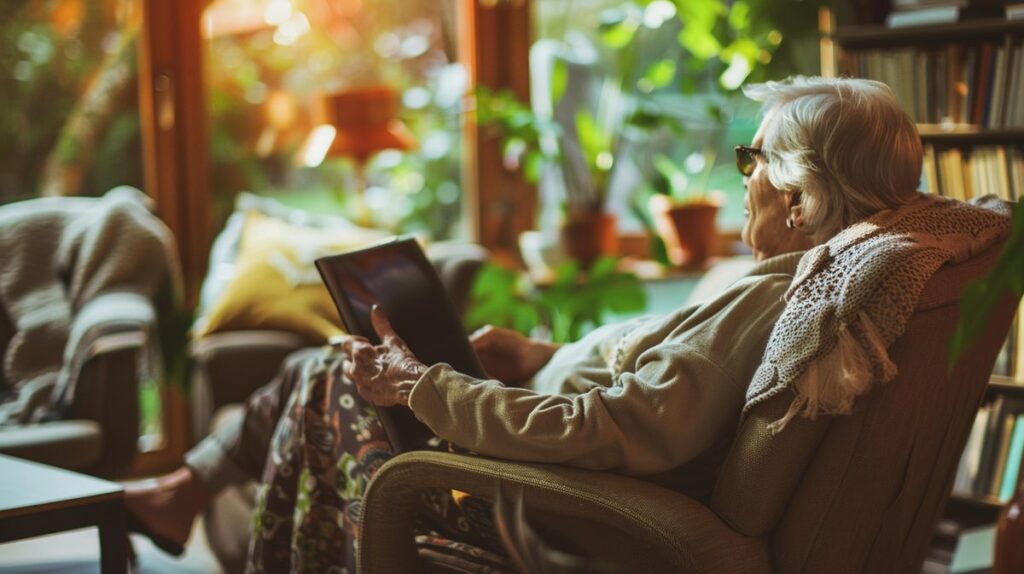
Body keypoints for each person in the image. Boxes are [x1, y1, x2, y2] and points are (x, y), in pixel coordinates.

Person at [125, 76, 1005, 571]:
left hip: (536, 491)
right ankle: (189, 492)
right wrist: (538, 355)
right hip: (534, 420)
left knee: (332, 373)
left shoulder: (775, 301)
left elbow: (602, 432)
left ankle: (202, 500)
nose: (743, 181)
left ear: (804, 194)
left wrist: (424, 388)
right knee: (346, 362)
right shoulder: (804, 284)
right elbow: (653, 392)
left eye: (754, 161)